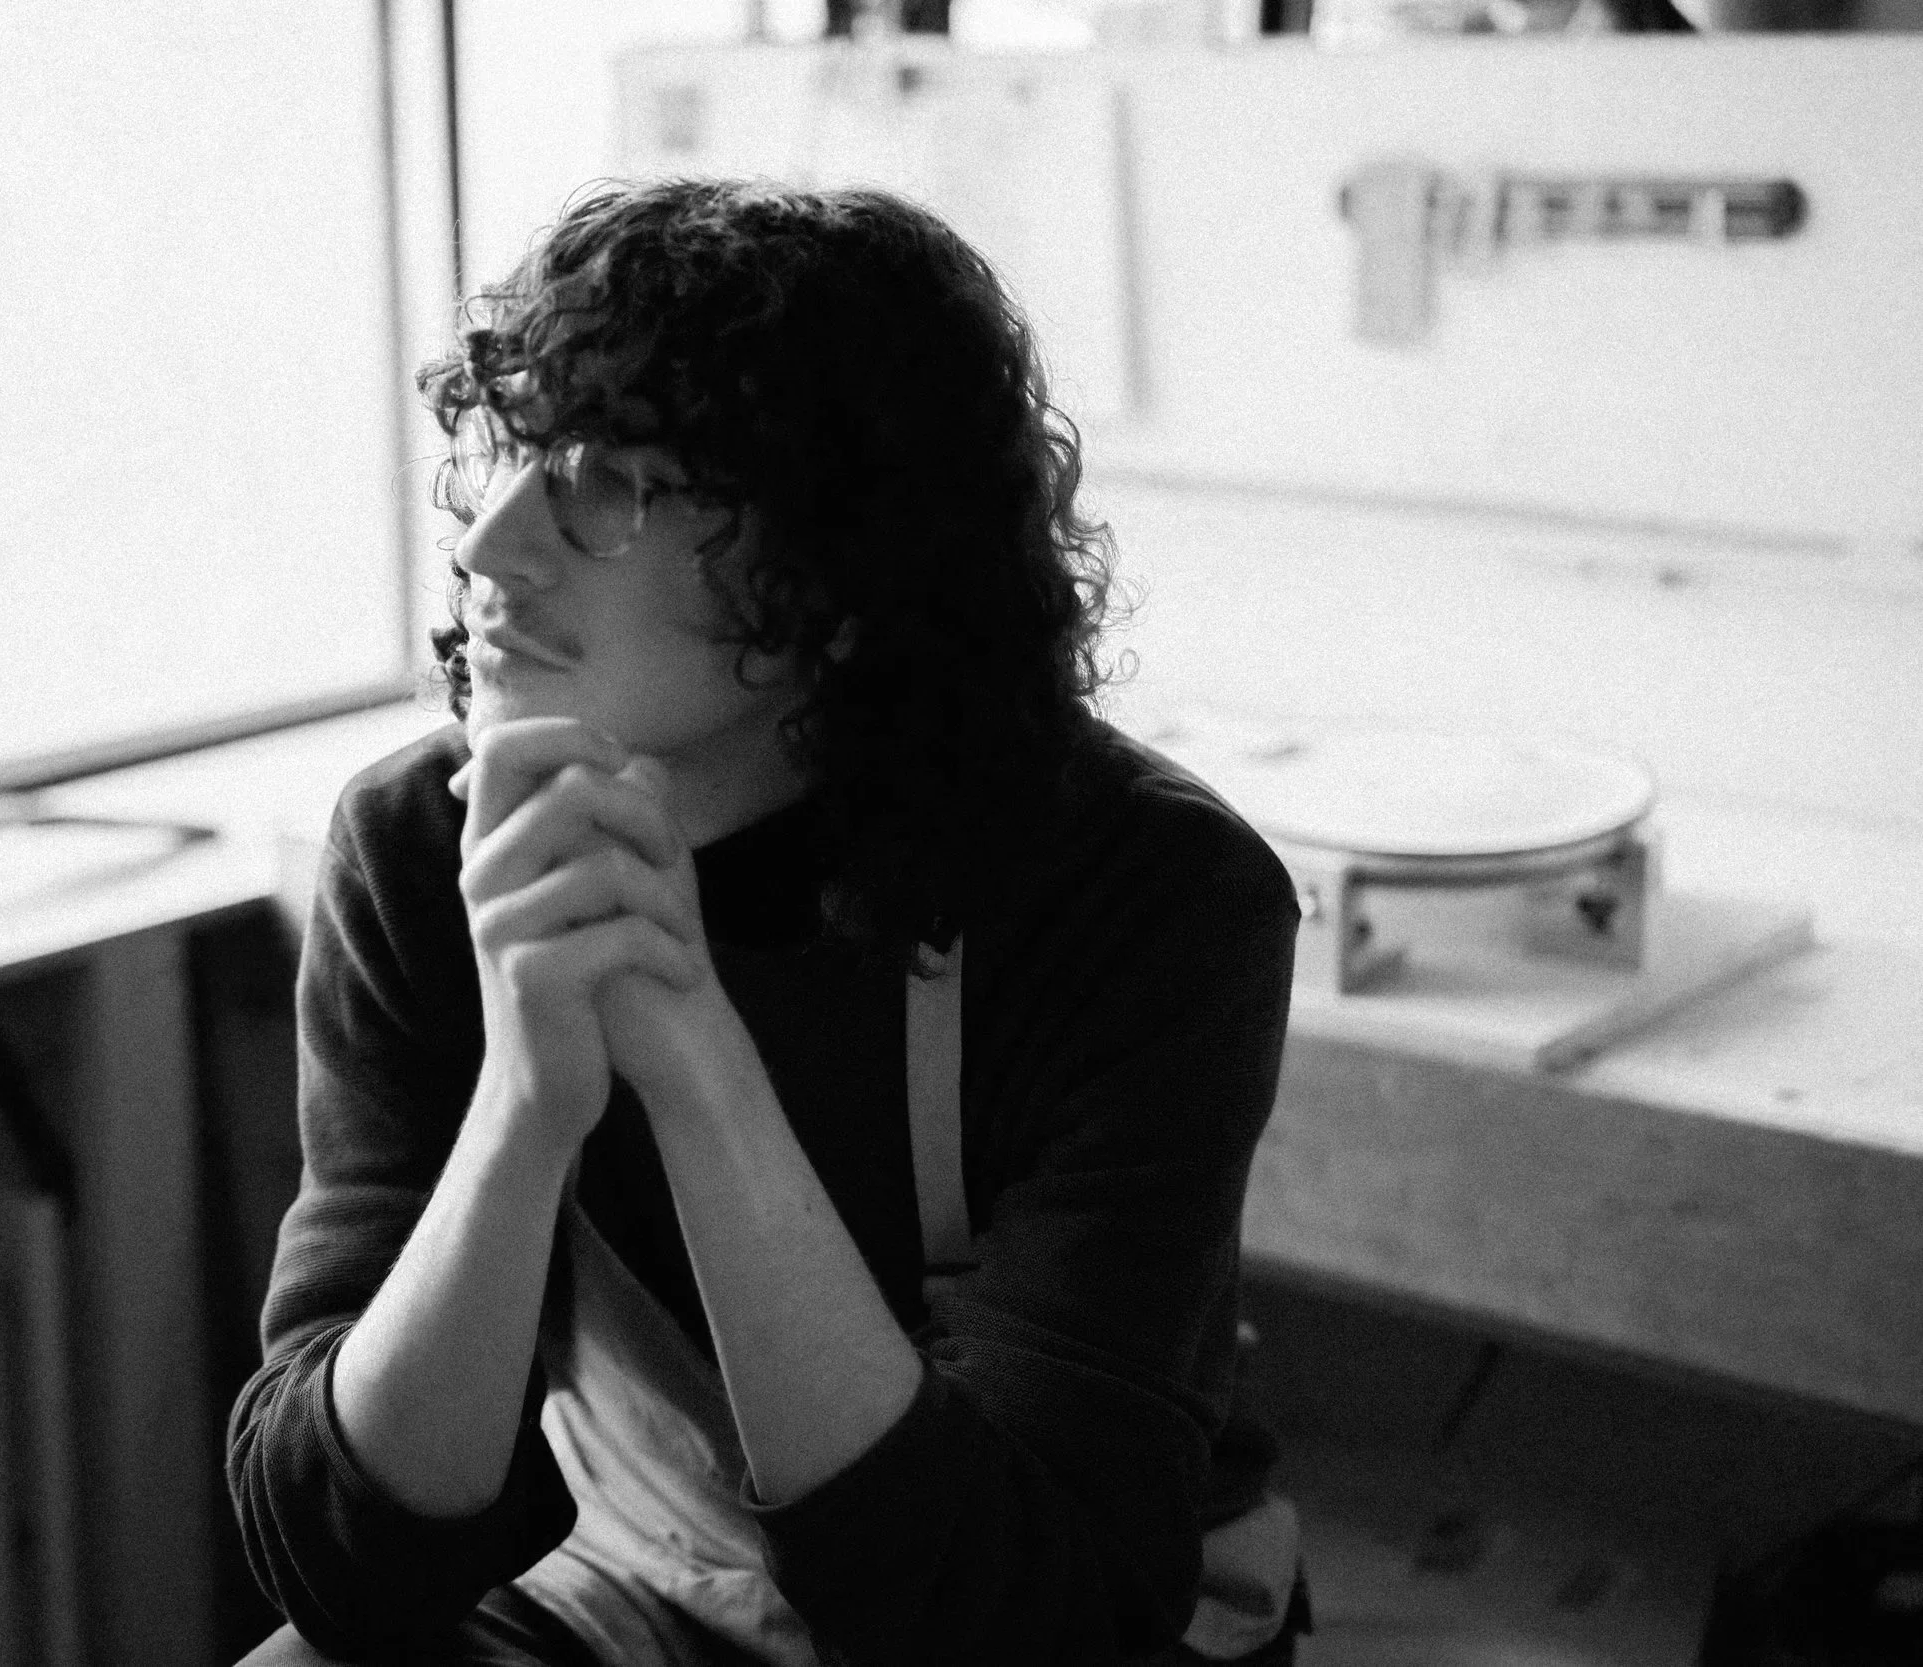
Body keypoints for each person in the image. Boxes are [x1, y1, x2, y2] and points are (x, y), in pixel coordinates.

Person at [228, 178, 1303, 1666]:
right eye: (517, 455)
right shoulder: (423, 847)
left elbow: (1033, 1610)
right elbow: (345, 1563)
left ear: (841, 588)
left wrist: (697, 1066)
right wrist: (525, 1108)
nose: (492, 546)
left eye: (612, 481)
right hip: (639, 1578)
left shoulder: (1153, 900)